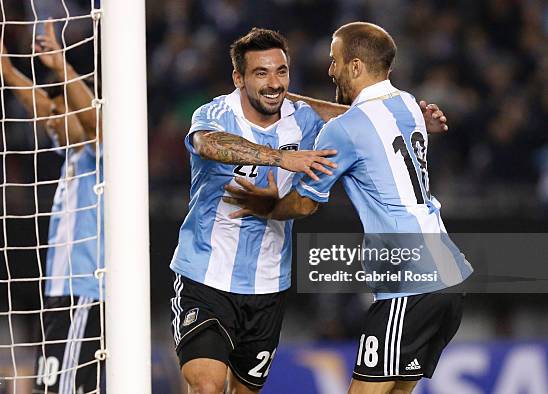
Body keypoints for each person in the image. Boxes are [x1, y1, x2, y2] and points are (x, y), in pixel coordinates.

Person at [170, 27, 450, 394]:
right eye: (260, 73)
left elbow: (356, 115)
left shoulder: (303, 119)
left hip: (268, 283)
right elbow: (207, 144)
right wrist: (280, 158)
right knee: (207, 386)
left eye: (281, 72)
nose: (273, 83)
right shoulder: (216, 114)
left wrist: (407, 117)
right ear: (238, 78)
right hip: (205, 275)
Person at [0, 21, 105, 394]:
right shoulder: (72, 154)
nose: (50, 118)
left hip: (84, 291)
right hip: (62, 292)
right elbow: (41, 105)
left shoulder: (104, 155)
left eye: (60, 111)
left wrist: (62, 67)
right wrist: (8, 71)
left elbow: (93, 120)